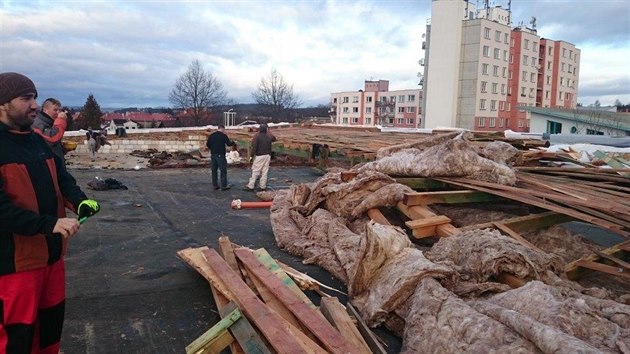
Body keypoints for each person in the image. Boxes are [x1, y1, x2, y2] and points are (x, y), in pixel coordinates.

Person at [0, 72, 100, 353]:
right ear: (2, 104)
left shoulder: (37, 140)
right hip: (13, 266)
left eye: (34, 97)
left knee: (49, 333)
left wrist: (79, 201)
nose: (34, 105)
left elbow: (62, 179)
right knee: (15, 339)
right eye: (25, 98)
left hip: (52, 259)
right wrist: (50, 224)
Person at [32, 97, 69, 163]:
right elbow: (52, 138)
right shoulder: (38, 124)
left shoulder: (51, 123)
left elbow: (48, 146)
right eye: (55, 110)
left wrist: (62, 149)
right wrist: (61, 120)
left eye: (59, 110)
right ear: (45, 110)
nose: (58, 113)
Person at [245, 123, 276, 191]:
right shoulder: (269, 137)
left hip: (260, 156)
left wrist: (251, 157)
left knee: (256, 171)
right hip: (267, 156)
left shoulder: (257, 137)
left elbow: (254, 148)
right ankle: (262, 186)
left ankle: (251, 186)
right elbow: (274, 139)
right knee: (264, 172)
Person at [206, 124, 236, 190]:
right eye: (224, 130)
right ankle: (223, 185)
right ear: (222, 129)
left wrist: (213, 149)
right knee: (223, 170)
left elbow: (207, 144)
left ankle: (215, 185)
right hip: (220, 155)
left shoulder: (212, 135)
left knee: (214, 170)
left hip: (213, 155)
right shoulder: (223, 136)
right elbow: (228, 144)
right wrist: (233, 142)